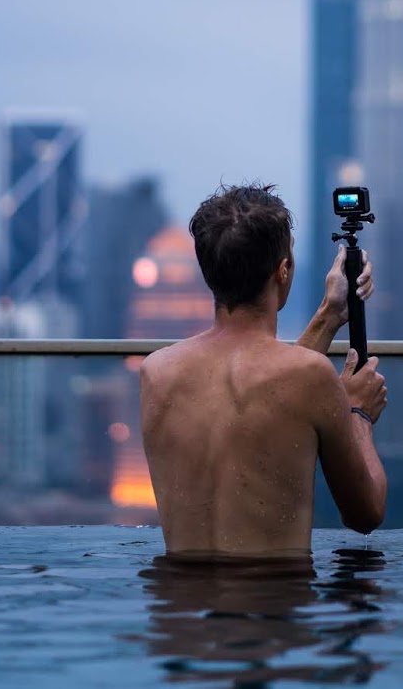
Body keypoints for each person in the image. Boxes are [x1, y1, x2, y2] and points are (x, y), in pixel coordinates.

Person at [139, 183, 388, 557]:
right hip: (272, 603)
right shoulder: (312, 377)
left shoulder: (157, 372)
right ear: (283, 270)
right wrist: (359, 415)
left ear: (208, 271)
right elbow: (364, 514)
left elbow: (259, 403)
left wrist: (330, 313)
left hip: (179, 603)